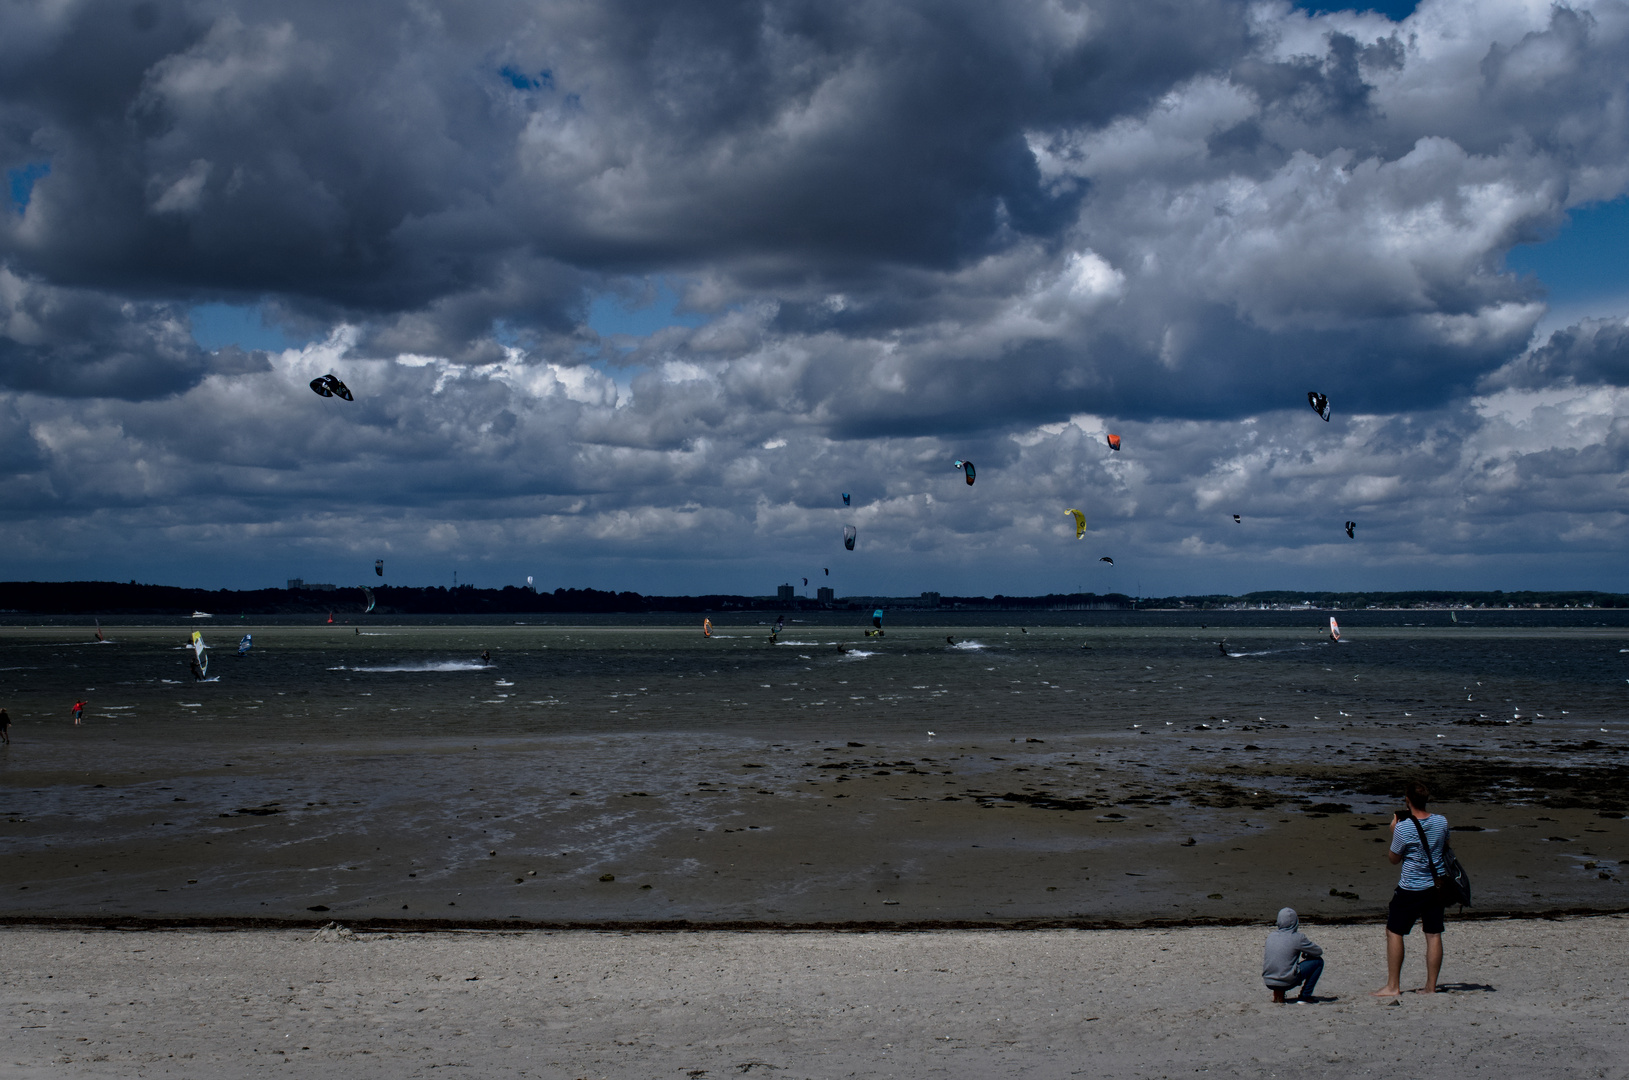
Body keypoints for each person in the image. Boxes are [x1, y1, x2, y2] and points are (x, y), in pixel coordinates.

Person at [1372, 780, 1450, 996]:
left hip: (1411, 887)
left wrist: (1393, 831)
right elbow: (1445, 846)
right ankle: (1430, 986)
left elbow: (1393, 859)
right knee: (1433, 934)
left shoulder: (1404, 827)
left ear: (1407, 801)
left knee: (1394, 932)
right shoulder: (1441, 822)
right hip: (1436, 885)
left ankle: (1393, 985)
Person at [1262, 907, 1325, 1003]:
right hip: (1286, 980)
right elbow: (1318, 951)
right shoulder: (1297, 938)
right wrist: (1307, 953)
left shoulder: (1271, 936)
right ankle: (1305, 996)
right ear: (1295, 922)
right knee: (1318, 962)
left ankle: (1278, 995)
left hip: (1269, 981)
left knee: (1283, 965)